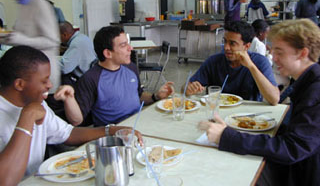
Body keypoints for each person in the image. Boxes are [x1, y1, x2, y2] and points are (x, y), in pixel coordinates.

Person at [199, 19, 320, 186]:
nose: (273, 58)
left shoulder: (315, 91)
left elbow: (293, 148)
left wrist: (227, 136)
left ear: (302, 53)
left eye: (279, 52)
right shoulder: (306, 83)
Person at [0, 46, 142, 185]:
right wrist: (27, 118)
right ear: (19, 84)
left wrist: (110, 131)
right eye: (44, 81)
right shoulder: (27, 110)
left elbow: (68, 133)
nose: (50, 85)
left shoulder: (36, 103)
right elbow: (5, 180)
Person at [62, 26, 174, 126]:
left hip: (139, 124)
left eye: (128, 43)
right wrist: (69, 99)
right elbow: (76, 121)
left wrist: (156, 96)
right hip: (114, 135)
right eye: (123, 45)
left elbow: (138, 96)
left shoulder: (131, 68)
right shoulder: (91, 79)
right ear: (108, 53)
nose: (130, 48)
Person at [186, 21, 279, 105]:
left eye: (232, 43)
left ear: (246, 46)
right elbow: (185, 88)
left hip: (247, 117)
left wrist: (251, 66)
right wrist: (189, 88)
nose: (226, 47)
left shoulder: (260, 62)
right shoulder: (214, 61)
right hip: (217, 113)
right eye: (225, 41)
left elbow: (274, 99)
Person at [1, 0, 60, 93]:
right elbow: (21, 35)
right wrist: (6, 38)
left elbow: (52, 41)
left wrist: (20, 39)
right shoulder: (23, 6)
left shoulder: (39, 4)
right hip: (29, 73)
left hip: (43, 75)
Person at [59, 21, 97, 85]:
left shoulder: (76, 44)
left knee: (62, 77)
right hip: (89, 74)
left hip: (82, 79)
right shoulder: (82, 37)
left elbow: (65, 68)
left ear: (65, 35)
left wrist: (51, 62)